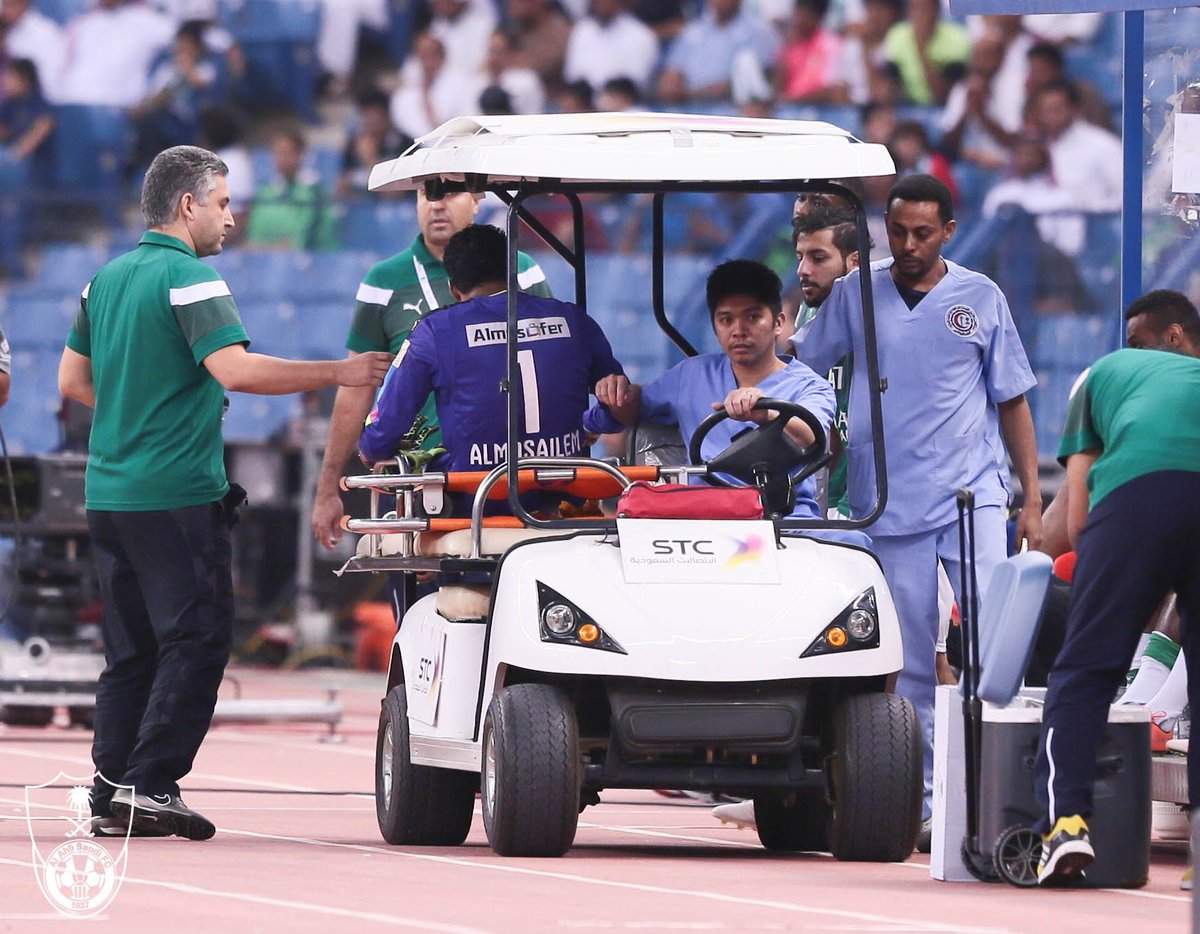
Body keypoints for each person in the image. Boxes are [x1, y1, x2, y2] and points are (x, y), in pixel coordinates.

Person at [56, 145, 392, 841]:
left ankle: (111, 785)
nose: (231, 219)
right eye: (222, 203)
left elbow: (71, 384)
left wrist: (139, 408)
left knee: (132, 649)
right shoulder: (192, 279)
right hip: (175, 492)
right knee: (200, 639)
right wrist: (340, 370)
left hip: (108, 491)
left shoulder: (104, 280)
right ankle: (151, 784)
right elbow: (236, 372)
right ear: (188, 205)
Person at [791, 173, 1042, 846]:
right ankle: (927, 803)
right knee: (906, 667)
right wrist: (809, 296)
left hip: (972, 494)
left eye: (922, 234)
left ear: (949, 233)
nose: (907, 245)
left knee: (996, 644)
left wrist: (1032, 497)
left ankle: (1005, 795)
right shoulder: (856, 294)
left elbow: (1012, 398)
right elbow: (806, 363)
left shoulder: (979, 297)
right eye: (896, 231)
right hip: (888, 501)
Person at [1034, 289, 1200, 885]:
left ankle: (1066, 827)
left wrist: (1124, 579)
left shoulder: (1104, 372)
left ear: (1173, 336)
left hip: (1138, 496)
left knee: (1084, 670)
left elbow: (1076, 520)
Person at [311, 187, 551, 552]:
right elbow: (356, 385)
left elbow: (555, 362)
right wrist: (328, 487)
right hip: (415, 480)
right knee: (418, 603)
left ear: (477, 199)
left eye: (451, 191)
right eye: (426, 192)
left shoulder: (523, 271)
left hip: (512, 476)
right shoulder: (384, 281)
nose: (436, 204)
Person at [359, 224, 623, 483]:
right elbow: (619, 405)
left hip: (477, 504)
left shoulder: (436, 331)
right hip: (565, 499)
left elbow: (384, 433)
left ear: (453, 289)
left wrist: (371, 446)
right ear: (513, 274)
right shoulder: (573, 319)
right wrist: (589, 424)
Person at [588, 259, 836, 521]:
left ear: (778, 322)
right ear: (716, 328)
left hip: (787, 524)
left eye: (753, 317)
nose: (739, 331)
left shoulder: (811, 386)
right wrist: (616, 393)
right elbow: (633, 407)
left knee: (854, 548)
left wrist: (767, 412)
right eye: (726, 320)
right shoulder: (690, 375)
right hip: (706, 525)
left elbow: (812, 435)